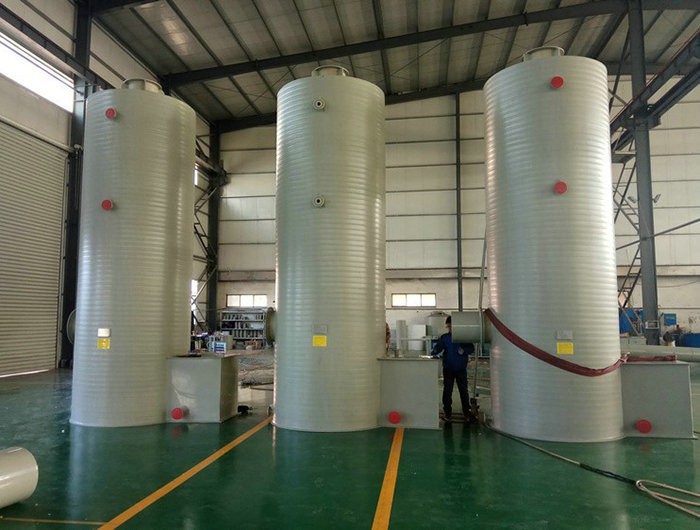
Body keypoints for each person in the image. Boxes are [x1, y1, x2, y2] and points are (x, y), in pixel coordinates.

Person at [431, 316, 475, 423]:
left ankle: (466, 413)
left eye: (451, 326)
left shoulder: (463, 337)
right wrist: (434, 352)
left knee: (463, 391)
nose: (449, 329)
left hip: (461, 369)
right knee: (447, 391)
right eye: (448, 327)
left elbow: (471, 348)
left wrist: (464, 350)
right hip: (448, 369)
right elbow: (438, 347)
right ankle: (447, 413)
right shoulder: (445, 337)